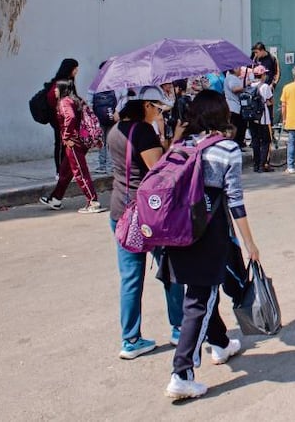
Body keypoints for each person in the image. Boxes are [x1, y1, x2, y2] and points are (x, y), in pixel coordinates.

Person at [157, 90, 260, 400]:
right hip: (208, 234)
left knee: (202, 291)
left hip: (177, 232)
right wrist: (250, 243)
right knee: (200, 300)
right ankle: (182, 372)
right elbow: (235, 202)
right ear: (222, 113)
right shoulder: (227, 149)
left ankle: (221, 343)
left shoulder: (181, 145)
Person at [107, 87, 186, 360]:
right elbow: (158, 168)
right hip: (148, 214)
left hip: (120, 209)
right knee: (171, 270)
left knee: (130, 278)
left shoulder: (115, 130)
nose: (158, 113)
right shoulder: (143, 131)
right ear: (146, 106)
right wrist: (174, 142)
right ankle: (179, 328)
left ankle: (130, 339)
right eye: (157, 108)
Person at [39, 78, 105, 213]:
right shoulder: (76, 100)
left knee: (80, 172)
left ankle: (93, 202)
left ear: (63, 89)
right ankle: (56, 199)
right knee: (65, 171)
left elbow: (70, 117)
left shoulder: (64, 102)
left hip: (74, 143)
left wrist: (67, 136)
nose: (55, 91)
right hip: (81, 140)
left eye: (57, 88)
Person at [46, 58, 80, 172]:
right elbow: (51, 99)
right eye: (75, 68)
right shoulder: (60, 83)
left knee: (68, 144)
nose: (77, 71)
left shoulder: (69, 82)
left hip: (68, 119)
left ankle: (66, 169)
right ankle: (60, 170)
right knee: (61, 144)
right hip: (59, 119)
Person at [248, 71, 274, 173]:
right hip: (263, 118)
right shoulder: (265, 86)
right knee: (266, 141)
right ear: (262, 75)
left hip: (252, 118)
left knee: (255, 141)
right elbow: (270, 101)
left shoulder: (249, 86)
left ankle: (256, 165)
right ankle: (263, 165)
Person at [223, 67, 246, 148]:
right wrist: (245, 86)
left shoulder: (231, 78)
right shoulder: (232, 78)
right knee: (235, 127)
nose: (241, 70)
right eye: (239, 68)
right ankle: (234, 145)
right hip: (234, 107)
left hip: (234, 107)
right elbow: (234, 89)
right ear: (235, 69)